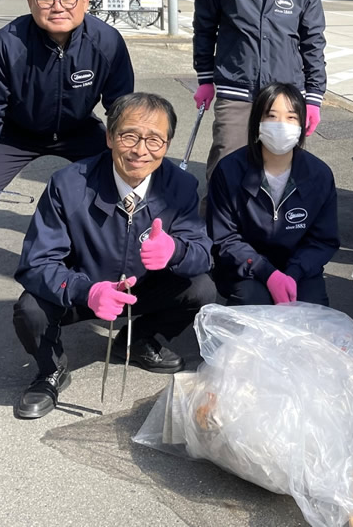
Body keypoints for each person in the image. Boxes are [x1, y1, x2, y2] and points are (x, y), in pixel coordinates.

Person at [0, 0, 134, 329]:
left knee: (122, 187)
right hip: (16, 132)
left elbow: (121, 107)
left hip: (79, 129)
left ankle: (111, 268)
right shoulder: (8, 43)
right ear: (30, 1)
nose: (57, 7)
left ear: (84, 0)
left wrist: (128, 153)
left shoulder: (106, 41)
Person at [11, 93, 216, 419]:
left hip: (144, 289)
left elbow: (203, 255)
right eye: (129, 136)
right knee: (30, 308)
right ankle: (50, 368)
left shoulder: (181, 187)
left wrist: (175, 250)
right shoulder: (67, 185)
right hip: (84, 289)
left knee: (202, 288)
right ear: (109, 137)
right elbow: (37, 262)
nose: (140, 150)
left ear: (167, 144)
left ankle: (137, 340)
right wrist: (86, 290)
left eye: (154, 140)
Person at [192, 0, 327, 186]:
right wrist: (205, 79)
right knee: (226, 165)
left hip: (285, 95)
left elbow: (313, 43)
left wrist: (314, 97)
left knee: (279, 172)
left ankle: (273, 230)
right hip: (236, 91)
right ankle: (215, 229)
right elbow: (204, 29)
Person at [207, 82, 339, 306]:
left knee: (312, 309)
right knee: (253, 300)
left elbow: (323, 240)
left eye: (291, 117)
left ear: (301, 124)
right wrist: (267, 273)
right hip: (246, 268)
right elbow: (225, 238)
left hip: (299, 268)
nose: (281, 125)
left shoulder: (319, 175)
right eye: (271, 116)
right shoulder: (229, 171)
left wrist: (294, 273)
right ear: (257, 122)